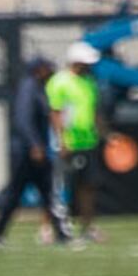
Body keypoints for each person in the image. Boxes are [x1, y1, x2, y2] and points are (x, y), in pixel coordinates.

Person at [0, 55, 72, 248]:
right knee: (17, 194)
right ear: (38, 70)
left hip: (33, 150)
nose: (50, 71)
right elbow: (24, 120)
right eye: (47, 68)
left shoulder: (37, 88)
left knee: (48, 193)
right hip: (27, 152)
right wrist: (35, 145)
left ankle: (62, 235)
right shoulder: (29, 87)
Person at [44, 41, 106, 239]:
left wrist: (105, 134)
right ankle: (53, 228)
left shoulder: (89, 82)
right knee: (61, 190)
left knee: (88, 187)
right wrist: (62, 140)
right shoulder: (59, 82)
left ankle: (87, 227)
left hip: (87, 142)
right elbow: (56, 113)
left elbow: (94, 111)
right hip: (68, 144)